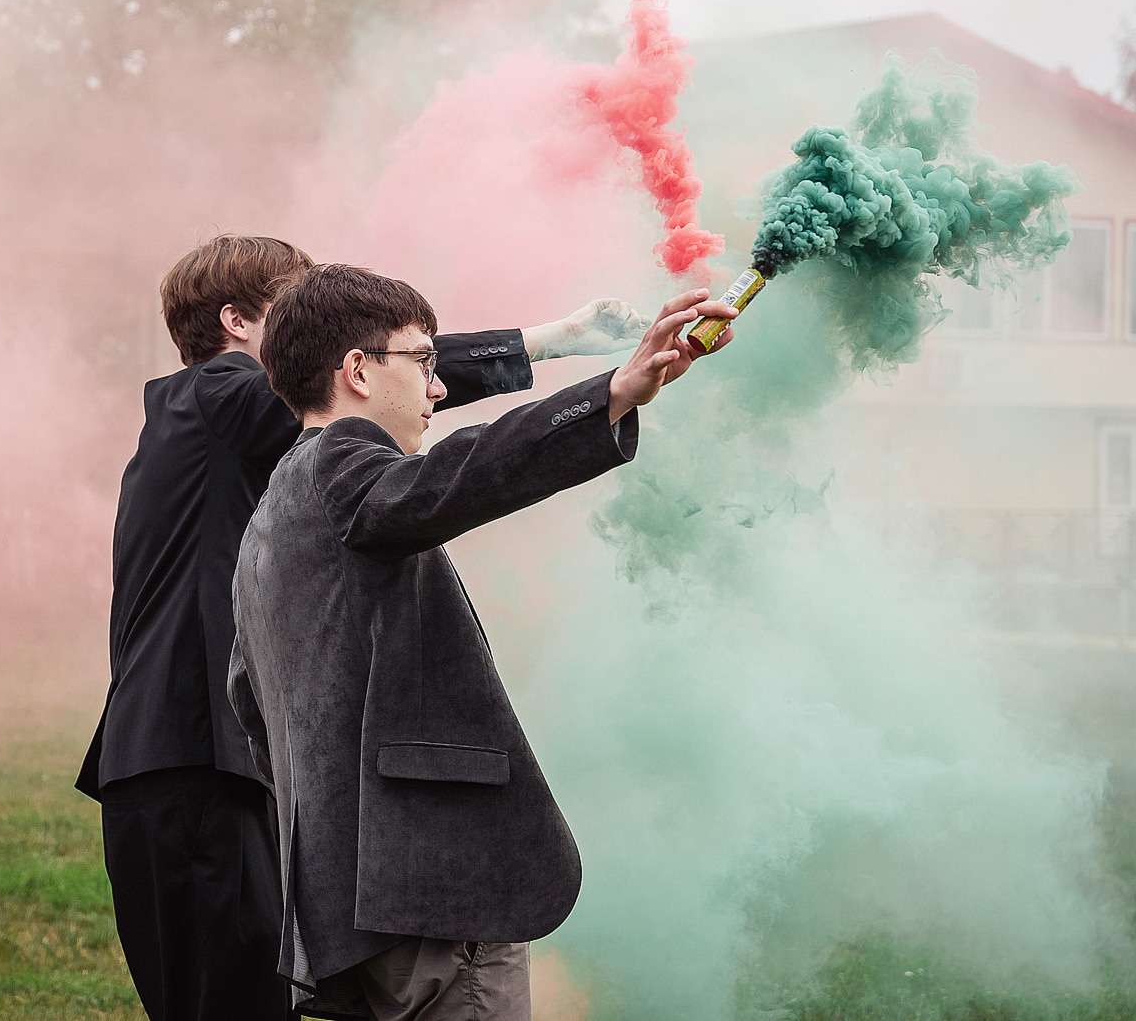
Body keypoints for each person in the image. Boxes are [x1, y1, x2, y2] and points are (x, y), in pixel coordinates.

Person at [76, 235, 652, 1021]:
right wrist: (552, 348)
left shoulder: (245, 454)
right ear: (237, 322)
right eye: (289, 316)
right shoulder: (217, 389)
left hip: (190, 759)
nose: (434, 387)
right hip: (194, 761)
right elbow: (352, 371)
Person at [227, 263, 736, 1020]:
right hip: (434, 893)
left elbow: (250, 705)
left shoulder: (269, 511)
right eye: (424, 362)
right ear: (358, 371)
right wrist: (614, 392)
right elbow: (457, 476)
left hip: (349, 910)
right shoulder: (342, 462)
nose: (438, 388)